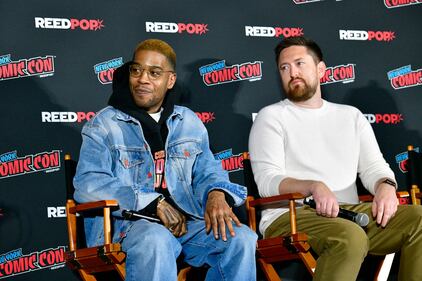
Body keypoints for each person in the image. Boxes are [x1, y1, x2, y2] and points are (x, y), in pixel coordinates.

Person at [74, 39, 257, 281]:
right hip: (127, 228)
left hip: (186, 223)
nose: (143, 79)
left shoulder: (188, 121)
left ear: (170, 81)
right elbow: (88, 185)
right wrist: (154, 203)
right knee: (156, 239)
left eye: (154, 73)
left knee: (241, 239)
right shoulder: (104, 124)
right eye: (136, 70)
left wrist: (216, 193)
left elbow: (208, 170)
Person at [248, 36, 422, 281]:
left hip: (349, 213)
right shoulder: (271, 116)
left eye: (299, 64)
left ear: (321, 69)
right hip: (291, 216)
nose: (292, 73)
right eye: (284, 68)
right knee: (350, 236)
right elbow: (267, 182)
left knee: (419, 219)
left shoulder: (351, 116)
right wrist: (313, 186)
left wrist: (386, 185)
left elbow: (374, 167)